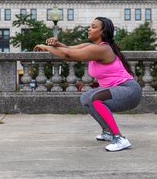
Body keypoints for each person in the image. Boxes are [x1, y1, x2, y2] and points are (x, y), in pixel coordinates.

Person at [34, 17, 142, 152]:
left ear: (103, 32)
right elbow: (68, 48)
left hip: (129, 90)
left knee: (95, 99)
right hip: (118, 89)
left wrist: (46, 47)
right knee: (86, 98)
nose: (89, 28)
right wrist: (56, 44)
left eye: (94, 27)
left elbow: (68, 55)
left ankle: (119, 138)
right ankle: (108, 132)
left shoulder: (103, 49)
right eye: (90, 26)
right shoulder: (92, 47)